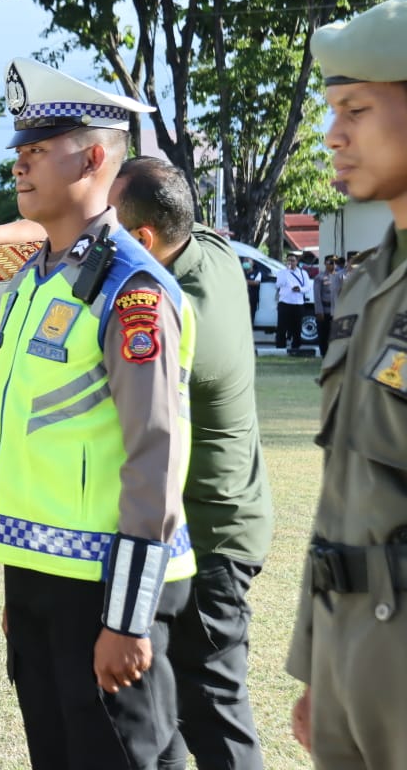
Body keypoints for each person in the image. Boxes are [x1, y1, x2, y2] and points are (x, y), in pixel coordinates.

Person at [0, 57, 196, 769]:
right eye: (20, 151)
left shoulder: (130, 290)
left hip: (106, 589)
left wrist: (127, 618)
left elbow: (154, 456)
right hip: (40, 579)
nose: (21, 165)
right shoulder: (39, 280)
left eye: (39, 151)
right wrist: (24, 578)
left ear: (95, 156)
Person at [112, 156, 273, 770]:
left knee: (213, 714)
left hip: (210, 539)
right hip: (216, 527)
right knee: (170, 713)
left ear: (145, 240)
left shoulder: (176, 320)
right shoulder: (208, 251)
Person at [287, 0, 407, 769]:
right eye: (332, 110)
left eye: (356, 108)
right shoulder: (370, 282)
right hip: (353, 648)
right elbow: (343, 487)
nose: (333, 134)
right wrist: (314, 659)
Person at [275, 252, 310, 351]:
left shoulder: (303, 273)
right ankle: (280, 347)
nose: (291, 262)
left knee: (297, 327)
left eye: (293, 260)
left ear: (297, 262)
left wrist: (300, 289)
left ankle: (296, 346)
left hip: (298, 303)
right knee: (282, 326)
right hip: (284, 303)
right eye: (289, 260)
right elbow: (278, 285)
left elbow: (307, 287)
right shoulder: (282, 272)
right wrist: (287, 272)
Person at [313, 255, 344, 357]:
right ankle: (324, 355)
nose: (333, 265)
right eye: (330, 262)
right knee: (323, 335)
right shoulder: (320, 277)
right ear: (325, 263)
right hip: (324, 311)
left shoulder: (340, 277)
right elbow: (317, 296)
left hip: (336, 311)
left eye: (335, 263)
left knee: (335, 335)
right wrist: (319, 311)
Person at [243, 257, 263, 324]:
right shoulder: (240, 272)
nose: (245, 262)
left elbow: (256, 283)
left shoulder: (257, 273)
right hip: (242, 299)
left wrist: (243, 281)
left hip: (252, 299)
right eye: (244, 261)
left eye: (247, 261)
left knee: (251, 317)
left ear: (253, 263)